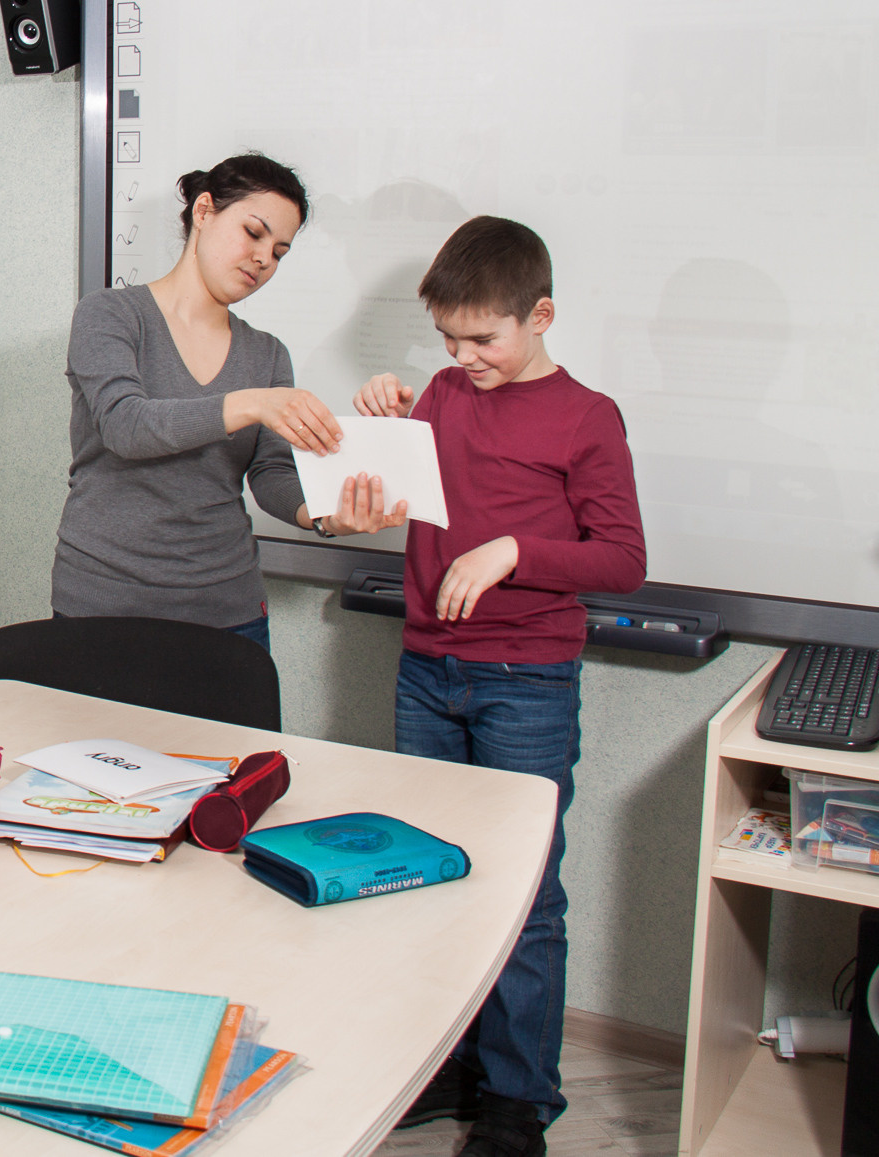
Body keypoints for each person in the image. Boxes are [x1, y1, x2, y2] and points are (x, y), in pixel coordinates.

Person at [354, 216, 645, 1157]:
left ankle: (519, 1100)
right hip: (426, 669)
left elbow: (625, 560)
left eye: (484, 339)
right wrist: (377, 420)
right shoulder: (441, 393)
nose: (463, 357)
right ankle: (446, 1067)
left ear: (541, 315)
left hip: (527, 680)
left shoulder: (587, 415)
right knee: (433, 875)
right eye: (449, 340)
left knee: (527, 895)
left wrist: (518, 549)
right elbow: (390, 485)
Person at [55, 153, 406, 647]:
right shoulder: (110, 315)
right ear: (204, 211)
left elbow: (272, 475)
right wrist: (251, 404)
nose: (264, 258)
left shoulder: (266, 353)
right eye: (254, 232)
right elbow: (125, 426)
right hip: (104, 602)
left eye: (280, 251)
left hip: (227, 608)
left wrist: (325, 516)